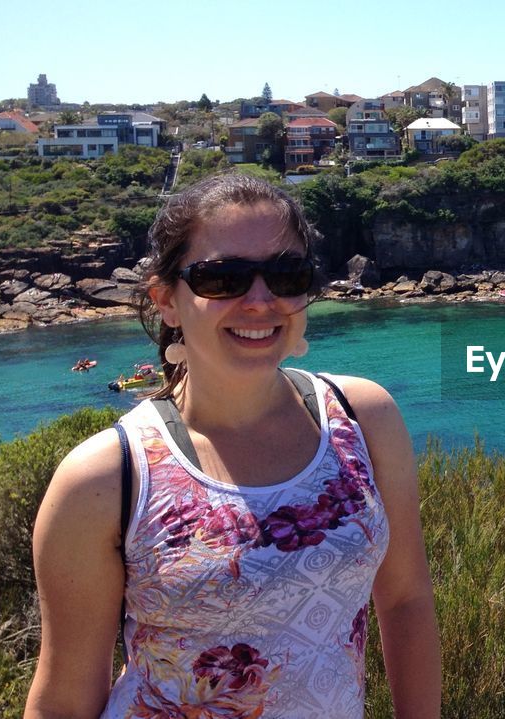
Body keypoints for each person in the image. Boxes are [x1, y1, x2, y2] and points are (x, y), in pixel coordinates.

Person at [26, 174, 440, 718]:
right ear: (166, 301)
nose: (261, 300)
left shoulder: (362, 418)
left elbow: (406, 600)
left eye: (287, 274)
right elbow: (64, 696)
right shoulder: (107, 477)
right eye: (224, 278)